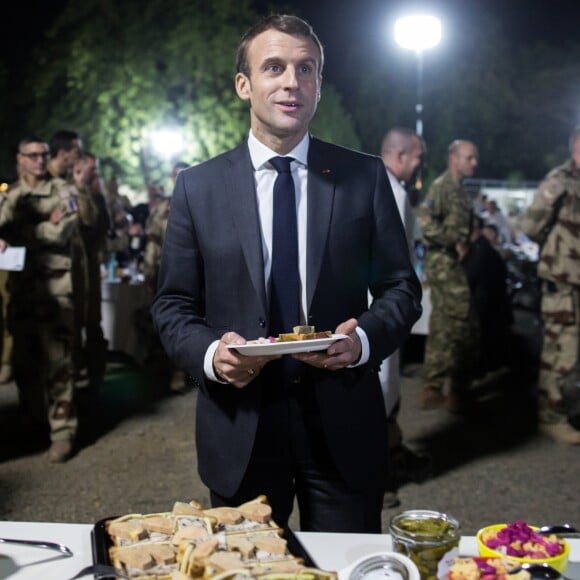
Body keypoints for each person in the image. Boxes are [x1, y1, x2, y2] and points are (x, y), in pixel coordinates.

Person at [151, 14, 422, 532]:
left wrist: (362, 340)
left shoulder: (362, 176)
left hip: (342, 421)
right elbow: (172, 304)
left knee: (346, 566)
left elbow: (400, 288)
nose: (291, 82)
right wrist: (211, 355)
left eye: (306, 69)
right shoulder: (198, 188)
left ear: (319, 84)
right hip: (241, 425)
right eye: (273, 67)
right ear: (244, 85)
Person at [0, 136, 96, 462]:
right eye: (34, 155)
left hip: (56, 293)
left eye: (44, 155)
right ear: (20, 159)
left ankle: (62, 431)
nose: (41, 160)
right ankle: (32, 424)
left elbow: (61, 232)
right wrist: (39, 225)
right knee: (26, 365)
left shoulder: (64, 191)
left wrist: (20, 232)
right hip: (22, 291)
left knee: (60, 365)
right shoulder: (10, 195)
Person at [379, 128, 431, 506]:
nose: (420, 166)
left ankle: (392, 453)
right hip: (379, 311)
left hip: (382, 309)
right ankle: (374, 477)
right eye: (417, 158)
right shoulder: (389, 192)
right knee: (377, 393)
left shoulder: (381, 185)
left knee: (389, 391)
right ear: (400, 157)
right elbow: (389, 260)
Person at [520, 126, 580, 445]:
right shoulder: (559, 180)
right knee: (561, 350)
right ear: (576, 146)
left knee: (568, 350)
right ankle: (551, 415)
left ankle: (558, 408)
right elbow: (529, 227)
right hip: (562, 280)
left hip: (575, 281)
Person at [417, 139, 480, 412]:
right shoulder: (442, 187)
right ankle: (456, 388)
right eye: (470, 157)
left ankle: (436, 387)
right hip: (442, 262)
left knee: (444, 322)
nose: (474, 162)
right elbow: (425, 220)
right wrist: (450, 240)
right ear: (454, 158)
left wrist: (466, 241)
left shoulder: (459, 190)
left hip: (451, 260)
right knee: (464, 319)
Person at [141, 161, 189, 392]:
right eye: (177, 176)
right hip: (168, 274)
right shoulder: (162, 210)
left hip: (200, 275)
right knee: (176, 322)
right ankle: (175, 372)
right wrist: (148, 272)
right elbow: (152, 243)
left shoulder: (202, 202)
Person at [72, 152, 111, 392]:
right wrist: (79, 189)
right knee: (73, 325)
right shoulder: (68, 191)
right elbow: (86, 220)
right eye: (91, 168)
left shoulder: (96, 195)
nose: (95, 173)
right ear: (78, 167)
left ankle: (96, 374)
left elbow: (103, 225)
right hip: (72, 271)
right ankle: (74, 373)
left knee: (94, 323)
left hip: (91, 269)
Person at [462, 215, 513, 380]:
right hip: (492, 303)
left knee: (479, 342)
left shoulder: (480, 250)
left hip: (484, 304)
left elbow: (469, 278)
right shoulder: (484, 248)